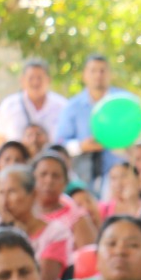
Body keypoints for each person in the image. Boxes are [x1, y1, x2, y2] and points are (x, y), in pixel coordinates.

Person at [0, 165, 75, 280]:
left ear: (33, 194)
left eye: (12, 192)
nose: (4, 200)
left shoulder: (56, 232)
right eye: (1, 192)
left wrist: (17, 237)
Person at [55, 54, 127, 191]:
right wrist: (82, 146)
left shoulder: (123, 103)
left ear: (110, 74)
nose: (98, 75)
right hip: (83, 180)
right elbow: (59, 144)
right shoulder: (72, 107)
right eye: (93, 70)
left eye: (102, 70)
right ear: (85, 75)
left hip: (120, 179)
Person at [0, 58, 67, 147]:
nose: (35, 82)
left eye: (39, 78)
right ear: (22, 80)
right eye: (31, 78)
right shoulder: (8, 106)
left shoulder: (62, 106)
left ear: (48, 80)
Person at [32, 152, 98, 248]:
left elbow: (88, 257)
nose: (49, 180)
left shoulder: (77, 217)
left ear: (65, 183)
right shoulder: (22, 210)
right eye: (43, 174)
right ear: (33, 178)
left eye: (55, 176)